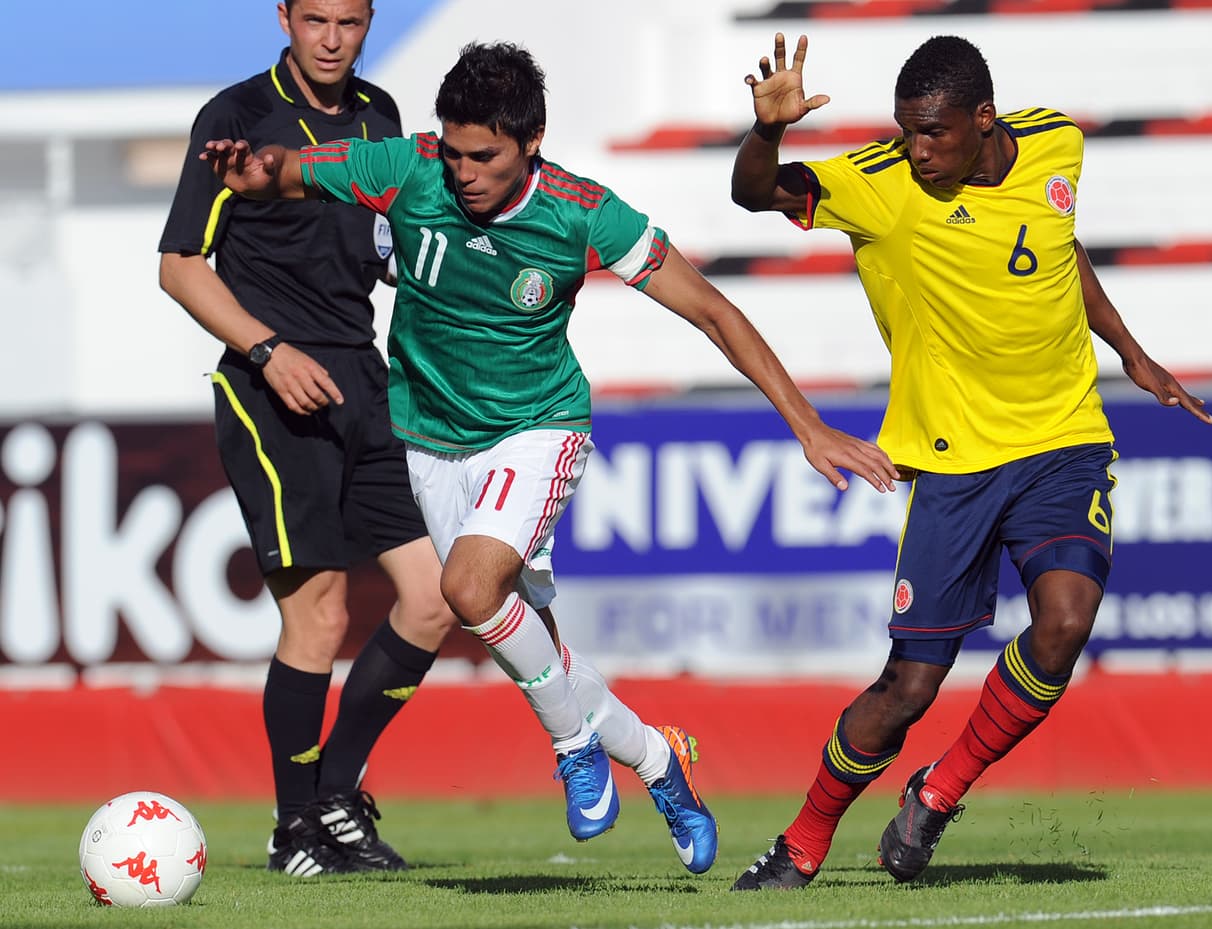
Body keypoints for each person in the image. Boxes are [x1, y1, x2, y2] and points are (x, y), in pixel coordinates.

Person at [200, 40, 901, 875]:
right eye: (454, 152)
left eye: (484, 156)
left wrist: (808, 424)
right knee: (538, 646)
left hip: (538, 428)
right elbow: (296, 169)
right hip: (429, 441)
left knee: (465, 590)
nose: (463, 172)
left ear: (530, 142)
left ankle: (573, 746)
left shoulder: (583, 212)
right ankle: (656, 759)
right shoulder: (407, 167)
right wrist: (255, 170)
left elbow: (712, 310)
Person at [727, 33, 1212, 890]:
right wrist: (766, 134)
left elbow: (1057, 243)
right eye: (906, 131)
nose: (916, 150)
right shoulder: (881, 187)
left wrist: (1132, 352)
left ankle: (938, 794)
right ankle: (801, 842)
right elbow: (756, 192)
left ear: (983, 120)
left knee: (1063, 623)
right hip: (953, 464)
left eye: (933, 133)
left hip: (1063, 439)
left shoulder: (1057, 140)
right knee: (909, 687)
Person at [158, 0, 457, 876]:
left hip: (364, 380)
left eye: (352, 21)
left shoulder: (382, 118)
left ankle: (332, 791)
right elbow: (178, 264)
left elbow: (391, 245)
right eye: (316, 18)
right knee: (320, 613)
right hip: (270, 385)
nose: (333, 38)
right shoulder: (235, 117)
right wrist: (268, 348)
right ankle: (297, 826)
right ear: (283, 16)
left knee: (437, 597)